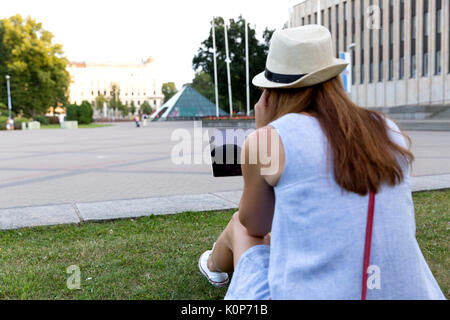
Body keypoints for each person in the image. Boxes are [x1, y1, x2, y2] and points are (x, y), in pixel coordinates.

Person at [198, 25, 445, 300]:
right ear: (333, 80)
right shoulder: (387, 128)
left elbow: (255, 225)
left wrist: (262, 131)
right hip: (407, 292)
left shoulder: (269, 139)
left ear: (271, 93)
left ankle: (212, 265)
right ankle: (211, 263)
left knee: (239, 225)